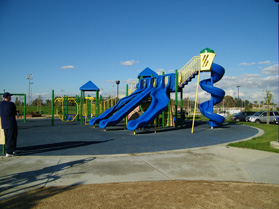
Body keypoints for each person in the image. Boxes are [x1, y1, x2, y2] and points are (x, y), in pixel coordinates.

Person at [0, 92, 18, 157]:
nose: (10, 97)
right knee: (12, 137)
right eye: (10, 96)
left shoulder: (1, 104)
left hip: (4, 123)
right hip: (11, 123)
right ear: (7, 97)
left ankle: (10, 149)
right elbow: (14, 113)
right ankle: (9, 152)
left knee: (7, 137)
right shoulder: (11, 104)